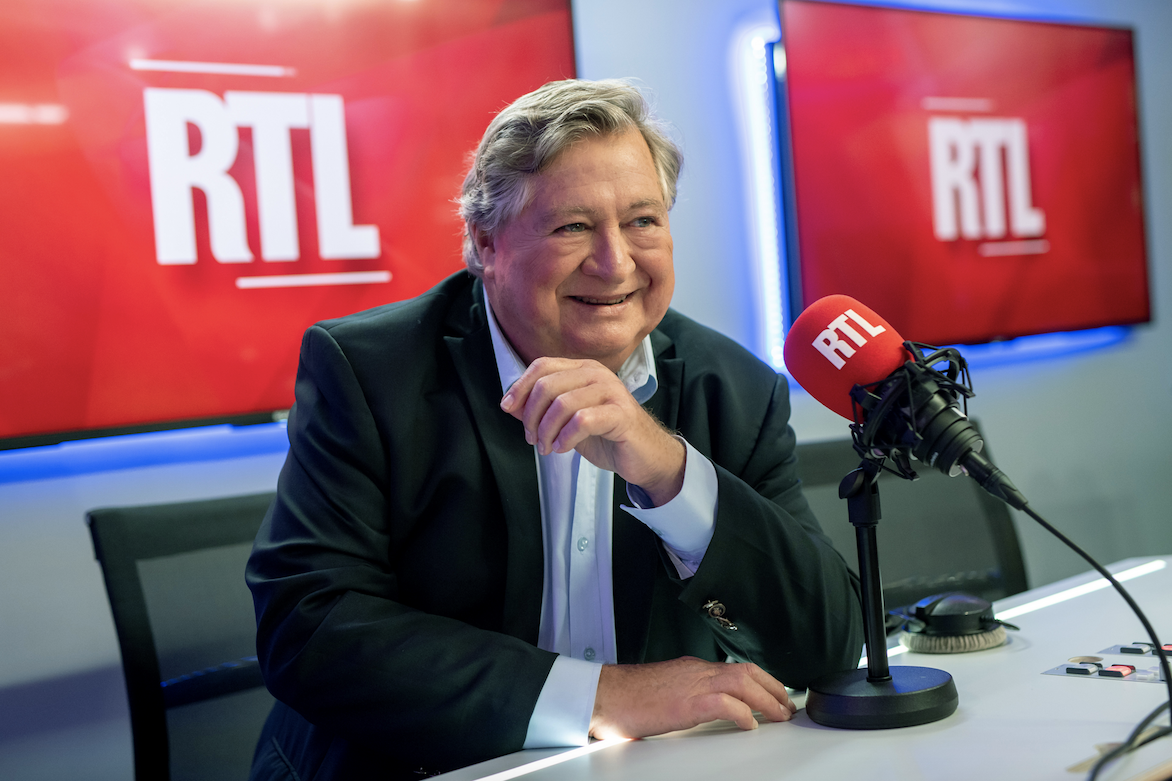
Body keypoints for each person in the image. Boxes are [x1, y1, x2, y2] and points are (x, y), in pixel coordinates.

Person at [246, 78, 863, 781]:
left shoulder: (736, 388)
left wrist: (668, 469)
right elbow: (309, 628)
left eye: (642, 220)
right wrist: (601, 696)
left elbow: (827, 647)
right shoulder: (369, 371)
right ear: (486, 243)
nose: (615, 262)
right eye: (572, 227)